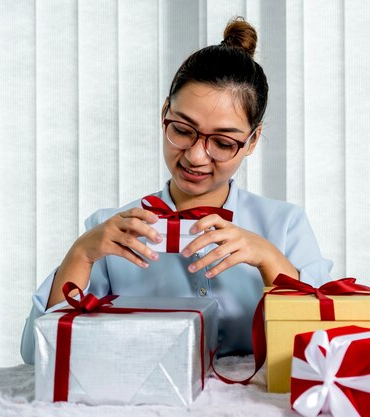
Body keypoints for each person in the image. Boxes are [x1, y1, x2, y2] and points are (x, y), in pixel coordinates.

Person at [21, 17, 332, 364]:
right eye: (183, 130)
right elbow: (40, 356)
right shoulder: (109, 230)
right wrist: (80, 254)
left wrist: (270, 259)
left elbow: (325, 353)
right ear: (164, 112)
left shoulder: (286, 226)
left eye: (223, 142)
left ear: (252, 140)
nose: (196, 156)